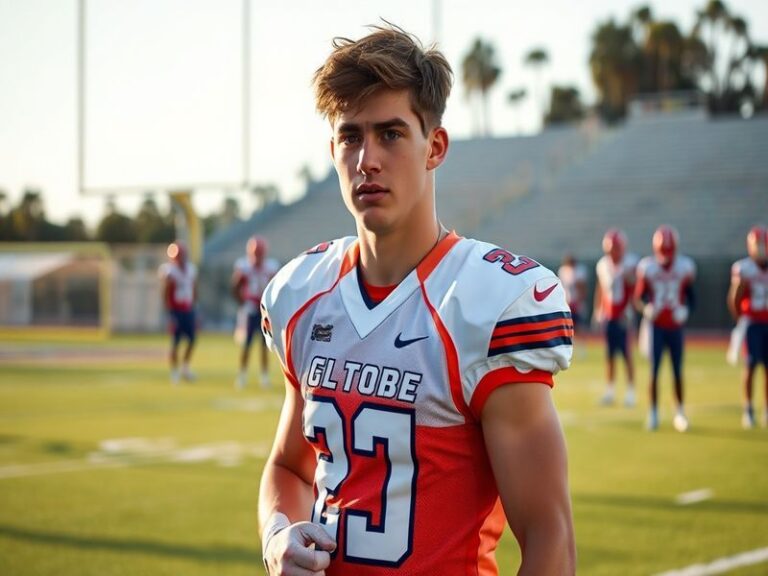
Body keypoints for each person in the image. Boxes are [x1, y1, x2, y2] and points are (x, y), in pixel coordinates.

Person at [258, 24, 575, 576]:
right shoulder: (303, 295)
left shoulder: (483, 304)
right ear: (332, 149)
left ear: (435, 147)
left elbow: (551, 540)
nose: (367, 160)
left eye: (390, 134)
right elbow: (288, 466)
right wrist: (278, 535)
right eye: (351, 136)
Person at [634, 225, 696, 432]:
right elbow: (638, 299)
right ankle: (653, 413)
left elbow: (692, 297)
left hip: (675, 327)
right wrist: (646, 309)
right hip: (656, 327)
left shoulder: (685, 267)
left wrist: (686, 310)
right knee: (654, 370)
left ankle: (680, 412)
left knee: (677, 371)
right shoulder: (648, 267)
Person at [727, 225, 768, 429]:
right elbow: (734, 298)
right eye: (757, 246)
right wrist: (740, 320)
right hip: (752, 323)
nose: (761, 250)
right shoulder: (745, 268)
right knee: (750, 366)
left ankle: (766, 410)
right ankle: (749, 409)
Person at [592, 228, 637, 407]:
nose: (613, 253)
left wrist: (631, 309)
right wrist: (598, 310)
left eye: (615, 249)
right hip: (609, 315)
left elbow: (637, 287)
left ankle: (631, 391)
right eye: (610, 250)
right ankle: (610, 391)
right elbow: (601, 288)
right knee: (609, 355)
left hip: (624, 315)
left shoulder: (631, 263)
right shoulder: (603, 264)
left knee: (626, 354)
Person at [231, 234, 280, 389]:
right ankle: (242, 375)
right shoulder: (244, 266)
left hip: (264, 310)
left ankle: (264, 376)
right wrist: (242, 304)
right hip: (250, 307)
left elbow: (276, 286)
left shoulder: (271, 266)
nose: (257, 257)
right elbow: (235, 287)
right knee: (247, 343)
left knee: (265, 344)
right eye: (256, 253)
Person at [158, 240, 197, 385]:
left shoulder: (191, 269)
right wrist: (169, 312)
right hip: (175, 310)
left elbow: (194, 287)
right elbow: (166, 291)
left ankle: (185, 368)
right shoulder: (170, 271)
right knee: (175, 342)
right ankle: (174, 372)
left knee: (192, 340)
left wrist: (194, 305)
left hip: (188, 308)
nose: (182, 258)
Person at [558, 253, 588, 340]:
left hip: (577, 303)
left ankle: (582, 346)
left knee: (578, 327)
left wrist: (580, 301)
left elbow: (582, 288)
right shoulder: (563, 271)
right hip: (567, 303)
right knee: (567, 326)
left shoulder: (579, 271)